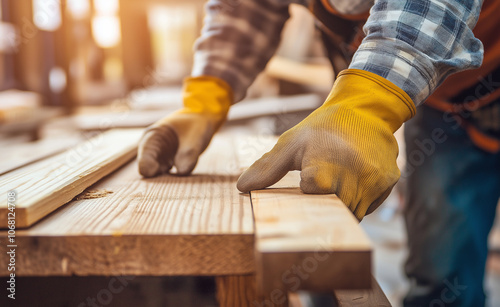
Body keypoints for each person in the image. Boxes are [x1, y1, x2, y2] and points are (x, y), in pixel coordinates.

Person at [137, 0, 494, 306]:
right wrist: (207, 97)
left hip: (479, 88)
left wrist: (369, 106)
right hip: (428, 91)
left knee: (446, 273)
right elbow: (246, 9)